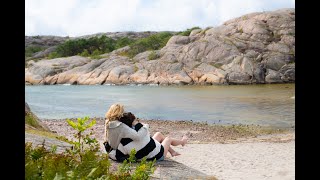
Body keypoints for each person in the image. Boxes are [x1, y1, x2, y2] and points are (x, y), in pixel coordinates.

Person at [108, 111, 188, 162]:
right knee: (168, 139)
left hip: (148, 151)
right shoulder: (142, 132)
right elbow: (144, 128)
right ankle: (182, 142)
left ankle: (172, 152)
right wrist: (138, 124)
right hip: (158, 155)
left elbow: (117, 154)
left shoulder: (122, 143)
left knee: (158, 134)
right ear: (132, 123)